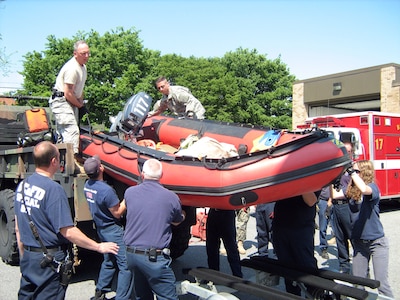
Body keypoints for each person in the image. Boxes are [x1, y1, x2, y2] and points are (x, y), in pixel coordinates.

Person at [14, 141, 119, 300]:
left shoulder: (22, 186)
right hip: (49, 260)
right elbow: (68, 231)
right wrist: (98, 246)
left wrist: (25, 256)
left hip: (30, 257)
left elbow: (17, 227)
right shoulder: (53, 189)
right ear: (54, 161)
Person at [123, 158, 185, 299]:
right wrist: (183, 215)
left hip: (132, 256)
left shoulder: (130, 193)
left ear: (142, 174)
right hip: (153, 259)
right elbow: (176, 221)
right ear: (161, 176)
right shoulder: (171, 197)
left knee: (142, 295)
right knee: (168, 296)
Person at [83, 155, 133, 300]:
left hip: (101, 228)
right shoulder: (106, 191)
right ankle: (123, 297)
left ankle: (100, 291)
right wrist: (127, 197)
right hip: (113, 230)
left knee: (109, 260)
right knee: (125, 265)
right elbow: (117, 213)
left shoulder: (87, 185)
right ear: (101, 168)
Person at [346, 160, 394, 298]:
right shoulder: (352, 190)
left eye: (356, 171)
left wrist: (351, 172)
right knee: (358, 283)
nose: (353, 175)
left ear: (363, 173)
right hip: (359, 244)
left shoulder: (373, 188)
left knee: (381, 284)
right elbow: (335, 196)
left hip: (377, 243)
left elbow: (364, 189)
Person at [49, 40, 90, 162]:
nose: (86, 56)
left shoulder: (83, 68)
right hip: (61, 101)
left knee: (64, 133)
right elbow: (68, 93)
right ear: (75, 53)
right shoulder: (72, 68)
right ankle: (71, 162)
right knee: (71, 130)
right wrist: (80, 106)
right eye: (83, 53)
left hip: (71, 101)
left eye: (88, 53)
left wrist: (81, 104)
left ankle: (61, 160)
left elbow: (79, 90)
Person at [272, 193, 318, 297]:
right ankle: (293, 295)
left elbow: (311, 201)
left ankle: (315, 295)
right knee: (287, 271)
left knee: (307, 267)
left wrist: (299, 182)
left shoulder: (310, 177)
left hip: (301, 228)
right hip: (281, 225)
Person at [330, 141, 354, 274]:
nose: (346, 152)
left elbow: (353, 187)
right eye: (343, 150)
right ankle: (344, 266)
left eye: (348, 151)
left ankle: (362, 268)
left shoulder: (352, 168)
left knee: (352, 237)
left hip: (347, 206)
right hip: (335, 206)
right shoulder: (337, 166)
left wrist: (340, 194)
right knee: (340, 238)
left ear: (351, 152)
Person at [206, 209, 243, 278]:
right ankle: (213, 274)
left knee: (231, 247)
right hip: (213, 212)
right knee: (211, 247)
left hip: (227, 213)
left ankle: (238, 275)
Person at [317, 186, 331, 259]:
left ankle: (344, 251)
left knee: (339, 229)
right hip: (323, 201)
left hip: (335, 200)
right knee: (323, 226)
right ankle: (323, 248)